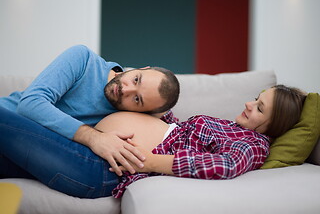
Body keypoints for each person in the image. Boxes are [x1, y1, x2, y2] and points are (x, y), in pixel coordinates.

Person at [0, 84, 306, 198]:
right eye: (256, 98)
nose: (250, 104)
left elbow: (223, 165)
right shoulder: (230, 125)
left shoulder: (255, 144)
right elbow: (175, 133)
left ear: (273, 125)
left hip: (105, 166)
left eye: (261, 108)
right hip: (97, 149)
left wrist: (141, 160)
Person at [0, 45, 180, 175]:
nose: (125, 90)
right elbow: (30, 103)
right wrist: (94, 137)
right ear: (141, 68)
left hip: (27, 154)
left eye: (137, 99)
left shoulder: (120, 118)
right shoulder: (83, 59)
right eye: (136, 80)